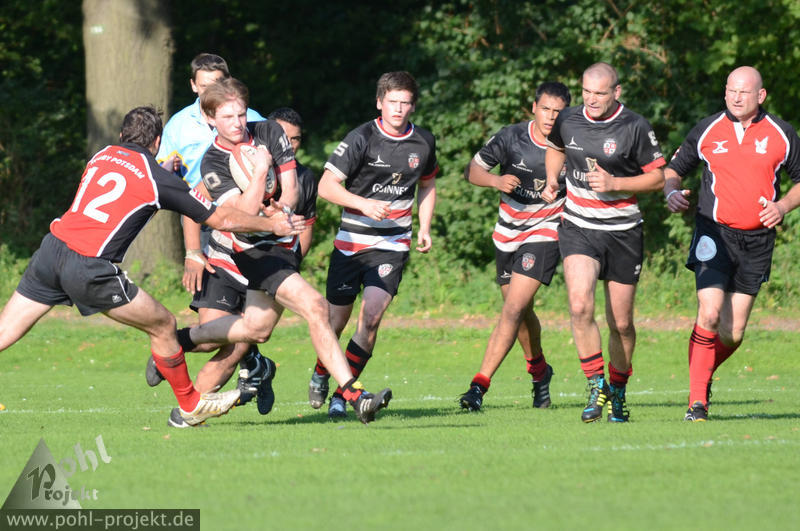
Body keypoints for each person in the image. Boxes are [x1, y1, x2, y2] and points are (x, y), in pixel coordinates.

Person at [0, 106, 304, 427]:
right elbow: (221, 219)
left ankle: (192, 403)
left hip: (51, 250)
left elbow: (124, 179)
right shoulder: (158, 178)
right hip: (89, 265)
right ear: (158, 141)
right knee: (163, 325)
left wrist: (162, 172)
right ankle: (191, 404)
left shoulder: (102, 155)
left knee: (5, 330)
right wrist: (271, 225)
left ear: (121, 135)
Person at [173, 80, 392, 424]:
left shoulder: (270, 131)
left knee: (256, 329)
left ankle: (178, 344)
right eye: (228, 117)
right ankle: (355, 395)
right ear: (210, 119)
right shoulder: (212, 163)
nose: (238, 123)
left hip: (283, 244)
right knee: (316, 306)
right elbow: (240, 215)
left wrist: (283, 211)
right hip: (252, 251)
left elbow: (290, 188)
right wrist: (261, 173)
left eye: (241, 114)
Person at [148, 105, 319, 428]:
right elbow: (193, 205)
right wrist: (193, 253)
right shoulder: (235, 161)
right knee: (213, 337)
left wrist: (285, 271)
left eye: (294, 139)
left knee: (237, 344)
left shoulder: (302, 179)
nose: (287, 144)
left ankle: (188, 414)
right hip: (225, 262)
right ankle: (254, 364)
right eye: (282, 136)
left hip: (266, 272)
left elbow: (304, 234)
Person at [664, 66, 800, 421]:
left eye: (744, 91)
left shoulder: (782, 134)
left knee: (733, 333)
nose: (736, 97)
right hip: (714, 233)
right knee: (708, 312)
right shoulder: (707, 129)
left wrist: (782, 206)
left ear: (760, 95)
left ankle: (703, 372)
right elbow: (673, 170)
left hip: (757, 240)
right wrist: (670, 191)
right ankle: (697, 403)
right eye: (731, 90)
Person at [307, 71, 439, 419]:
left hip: (392, 245)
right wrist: (363, 204)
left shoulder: (424, 142)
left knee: (371, 318)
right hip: (351, 244)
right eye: (392, 101)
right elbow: (326, 186)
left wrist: (425, 226)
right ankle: (321, 371)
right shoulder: (361, 138)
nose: (398, 109)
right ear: (379, 103)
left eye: (405, 103)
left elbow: (427, 184)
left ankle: (342, 395)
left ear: (413, 106)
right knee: (335, 322)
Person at [542, 62, 666, 423]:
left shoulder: (635, 126)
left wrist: (615, 184)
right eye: (586, 91)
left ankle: (619, 390)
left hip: (623, 231)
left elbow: (658, 179)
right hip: (578, 226)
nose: (591, 99)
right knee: (579, 305)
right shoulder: (568, 118)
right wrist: (552, 178)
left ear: (617, 92)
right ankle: (596, 385)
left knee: (621, 323)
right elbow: (555, 148)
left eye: (600, 93)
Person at [458, 82, 571, 412]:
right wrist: (495, 180)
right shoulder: (511, 137)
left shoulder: (574, 142)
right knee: (520, 312)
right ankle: (540, 372)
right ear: (533, 107)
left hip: (546, 232)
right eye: (545, 109)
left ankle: (478, 386)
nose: (550, 117)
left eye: (558, 111)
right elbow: (472, 170)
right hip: (507, 233)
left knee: (512, 309)